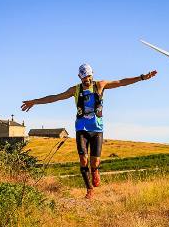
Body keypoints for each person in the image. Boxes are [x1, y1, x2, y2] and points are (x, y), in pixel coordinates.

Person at [21, 64, 157, 199]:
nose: (87, 79)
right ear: (80, 77)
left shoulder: (100, 85)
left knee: (94, 162)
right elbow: (55, 97)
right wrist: (34, 101)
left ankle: (95, 170)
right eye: (84, 77)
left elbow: (121, 82)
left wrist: (142, 77)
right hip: (81, 128)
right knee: (83, 159)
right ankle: (89, 189)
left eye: (89, 76)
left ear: (93, 74)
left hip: (97, 129)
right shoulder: (75, 90)